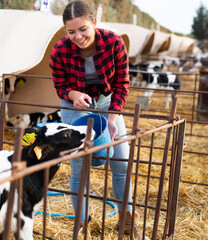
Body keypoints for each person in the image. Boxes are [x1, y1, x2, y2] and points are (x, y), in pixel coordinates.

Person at [49, 1, 148, 239]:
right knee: (79, 166)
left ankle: (127, 223)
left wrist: (112, 118)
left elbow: (122, 84)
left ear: (94, 22)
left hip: (107, 101)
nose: (78, 36)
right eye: (71, 32)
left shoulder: (114, 42)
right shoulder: (59, 50)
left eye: (83, 29)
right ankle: (83, 227)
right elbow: (60, 86)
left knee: (121, 161)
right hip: (76, 104)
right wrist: (73, 95)